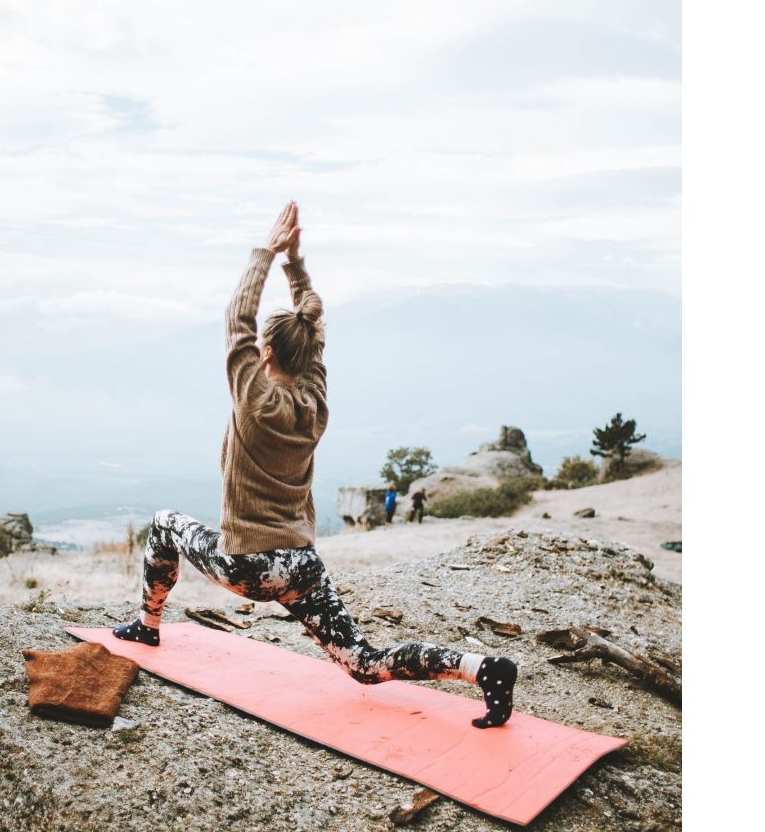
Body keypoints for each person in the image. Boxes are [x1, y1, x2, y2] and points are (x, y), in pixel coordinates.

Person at [113, 202, 518, 729]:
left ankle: (147, 625)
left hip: (249, 567)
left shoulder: (255, 401)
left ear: (264, 355)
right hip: (301, 566)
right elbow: (311, 328)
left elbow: (237, 318)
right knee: (365, 664)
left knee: (166, 522)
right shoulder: (314, 400)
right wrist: (295, 265)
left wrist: (269, 252)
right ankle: (480, 667)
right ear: (308, 356)